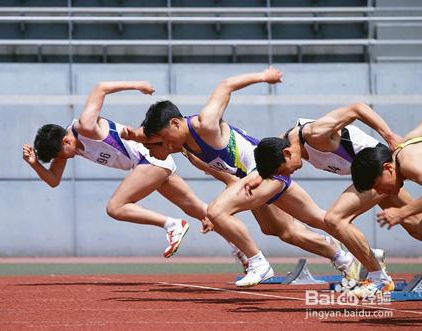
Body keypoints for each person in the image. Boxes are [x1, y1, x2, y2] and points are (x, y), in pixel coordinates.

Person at [130, 67, 354, 287]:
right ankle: (351, 258)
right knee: (289, 229)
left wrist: (264, 77)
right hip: (255, 177)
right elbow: (229, 179)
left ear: (175, 124)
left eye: (161, 139)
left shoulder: (205, 124)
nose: (161, 146)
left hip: (267, 171)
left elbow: (226, 85)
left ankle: (258, 263)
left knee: (216, 211)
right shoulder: (187, 148)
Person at [22, 80, 215, 259]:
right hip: (153, 164)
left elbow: (100, 88)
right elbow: (54, 180)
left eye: (60, 155)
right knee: (205, 212)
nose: (62, 159)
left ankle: (172, 224)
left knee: (115, 207)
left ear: (66, 140)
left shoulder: (85, 126)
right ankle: (240, 250)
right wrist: (34, 163)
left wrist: (139, 85)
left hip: (149, 158)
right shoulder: (67, 146)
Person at [253, 102, 417, 298]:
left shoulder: (315, 134)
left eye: (283, 171)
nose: (287, 175)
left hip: (378, 169)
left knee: (335, 219)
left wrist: (388, 135)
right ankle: (375, 268)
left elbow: (356, 108)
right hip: (369, 176)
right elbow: (262, 162)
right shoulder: (284, 143)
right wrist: (252, 179)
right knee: (415, 225)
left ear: (287, 154)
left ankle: (378, 278)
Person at [351, 122, 422, 235]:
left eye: (377, 186)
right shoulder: (402, 147)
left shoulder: (408, 164)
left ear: (388, 167)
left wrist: (402, 212)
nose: (380, 192)